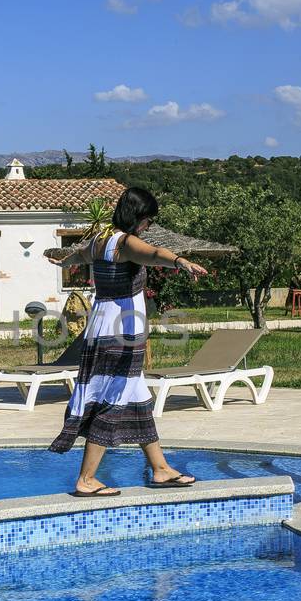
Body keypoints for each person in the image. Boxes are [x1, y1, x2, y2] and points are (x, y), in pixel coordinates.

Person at [48, 187, 208, 496]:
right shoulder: (125, 242)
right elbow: (154, 254)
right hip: (122, 332)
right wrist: (180, 262)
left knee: (136, 396)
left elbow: (78, 256)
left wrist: (66, 262)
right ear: (138, 217)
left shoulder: (99, 239)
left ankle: (160, 468)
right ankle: (86, 479)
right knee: (113, 399)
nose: (147, 226)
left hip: (103, 325)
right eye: (148, 220)